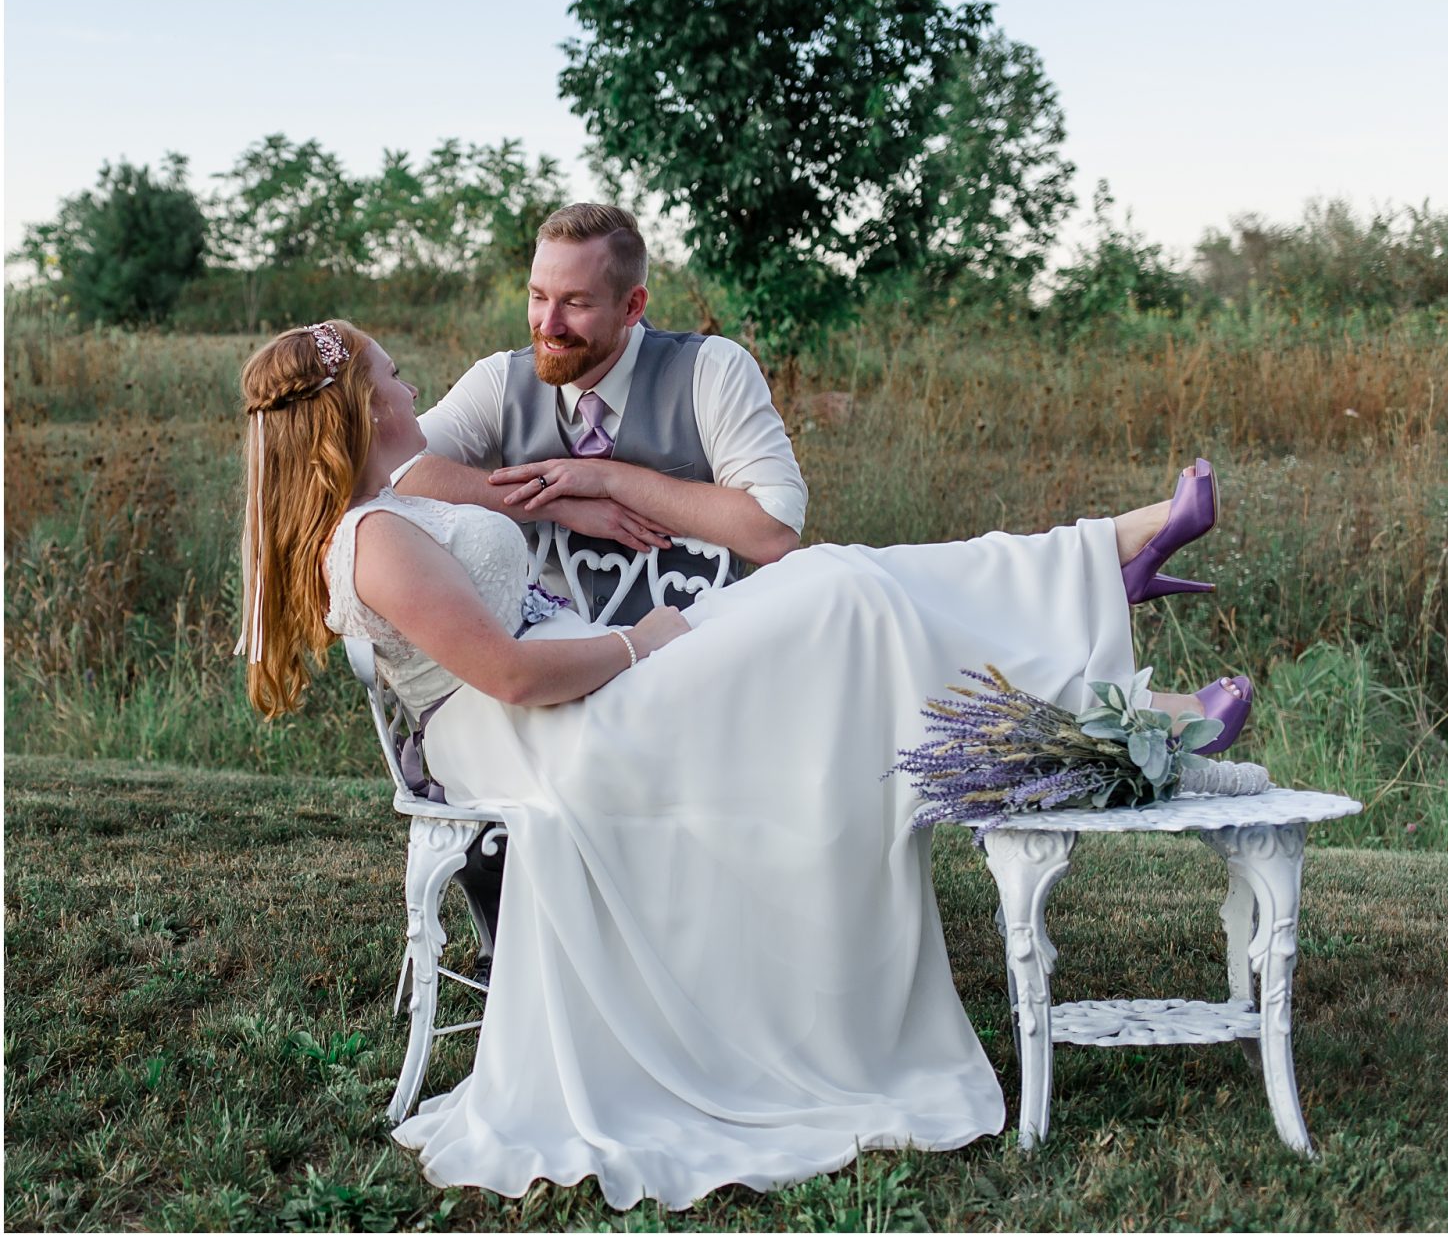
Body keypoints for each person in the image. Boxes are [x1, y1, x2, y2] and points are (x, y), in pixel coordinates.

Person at [238, 320, 1254, 1211]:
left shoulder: (397, 500)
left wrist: (597, 532)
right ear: (363, 409)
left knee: (832, 578)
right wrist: (645, 641)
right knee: (840, 608)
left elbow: (502, 541)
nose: (415, 387)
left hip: (587, 684)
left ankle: (1100, 567)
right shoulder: (375, 540)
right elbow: (506, 674)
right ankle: (1125, 701)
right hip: (559, 732)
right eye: (395, 375)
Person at [392, 201, 807, 625]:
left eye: (575, 303)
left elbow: (774, 532)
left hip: (692, 651)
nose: (548, 325)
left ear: (632, 306)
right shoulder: (499, 379)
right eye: (538, 297)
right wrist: (549, 503)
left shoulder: (712, 369)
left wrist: (610, 480)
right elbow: (392, 471)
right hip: (549, 654)